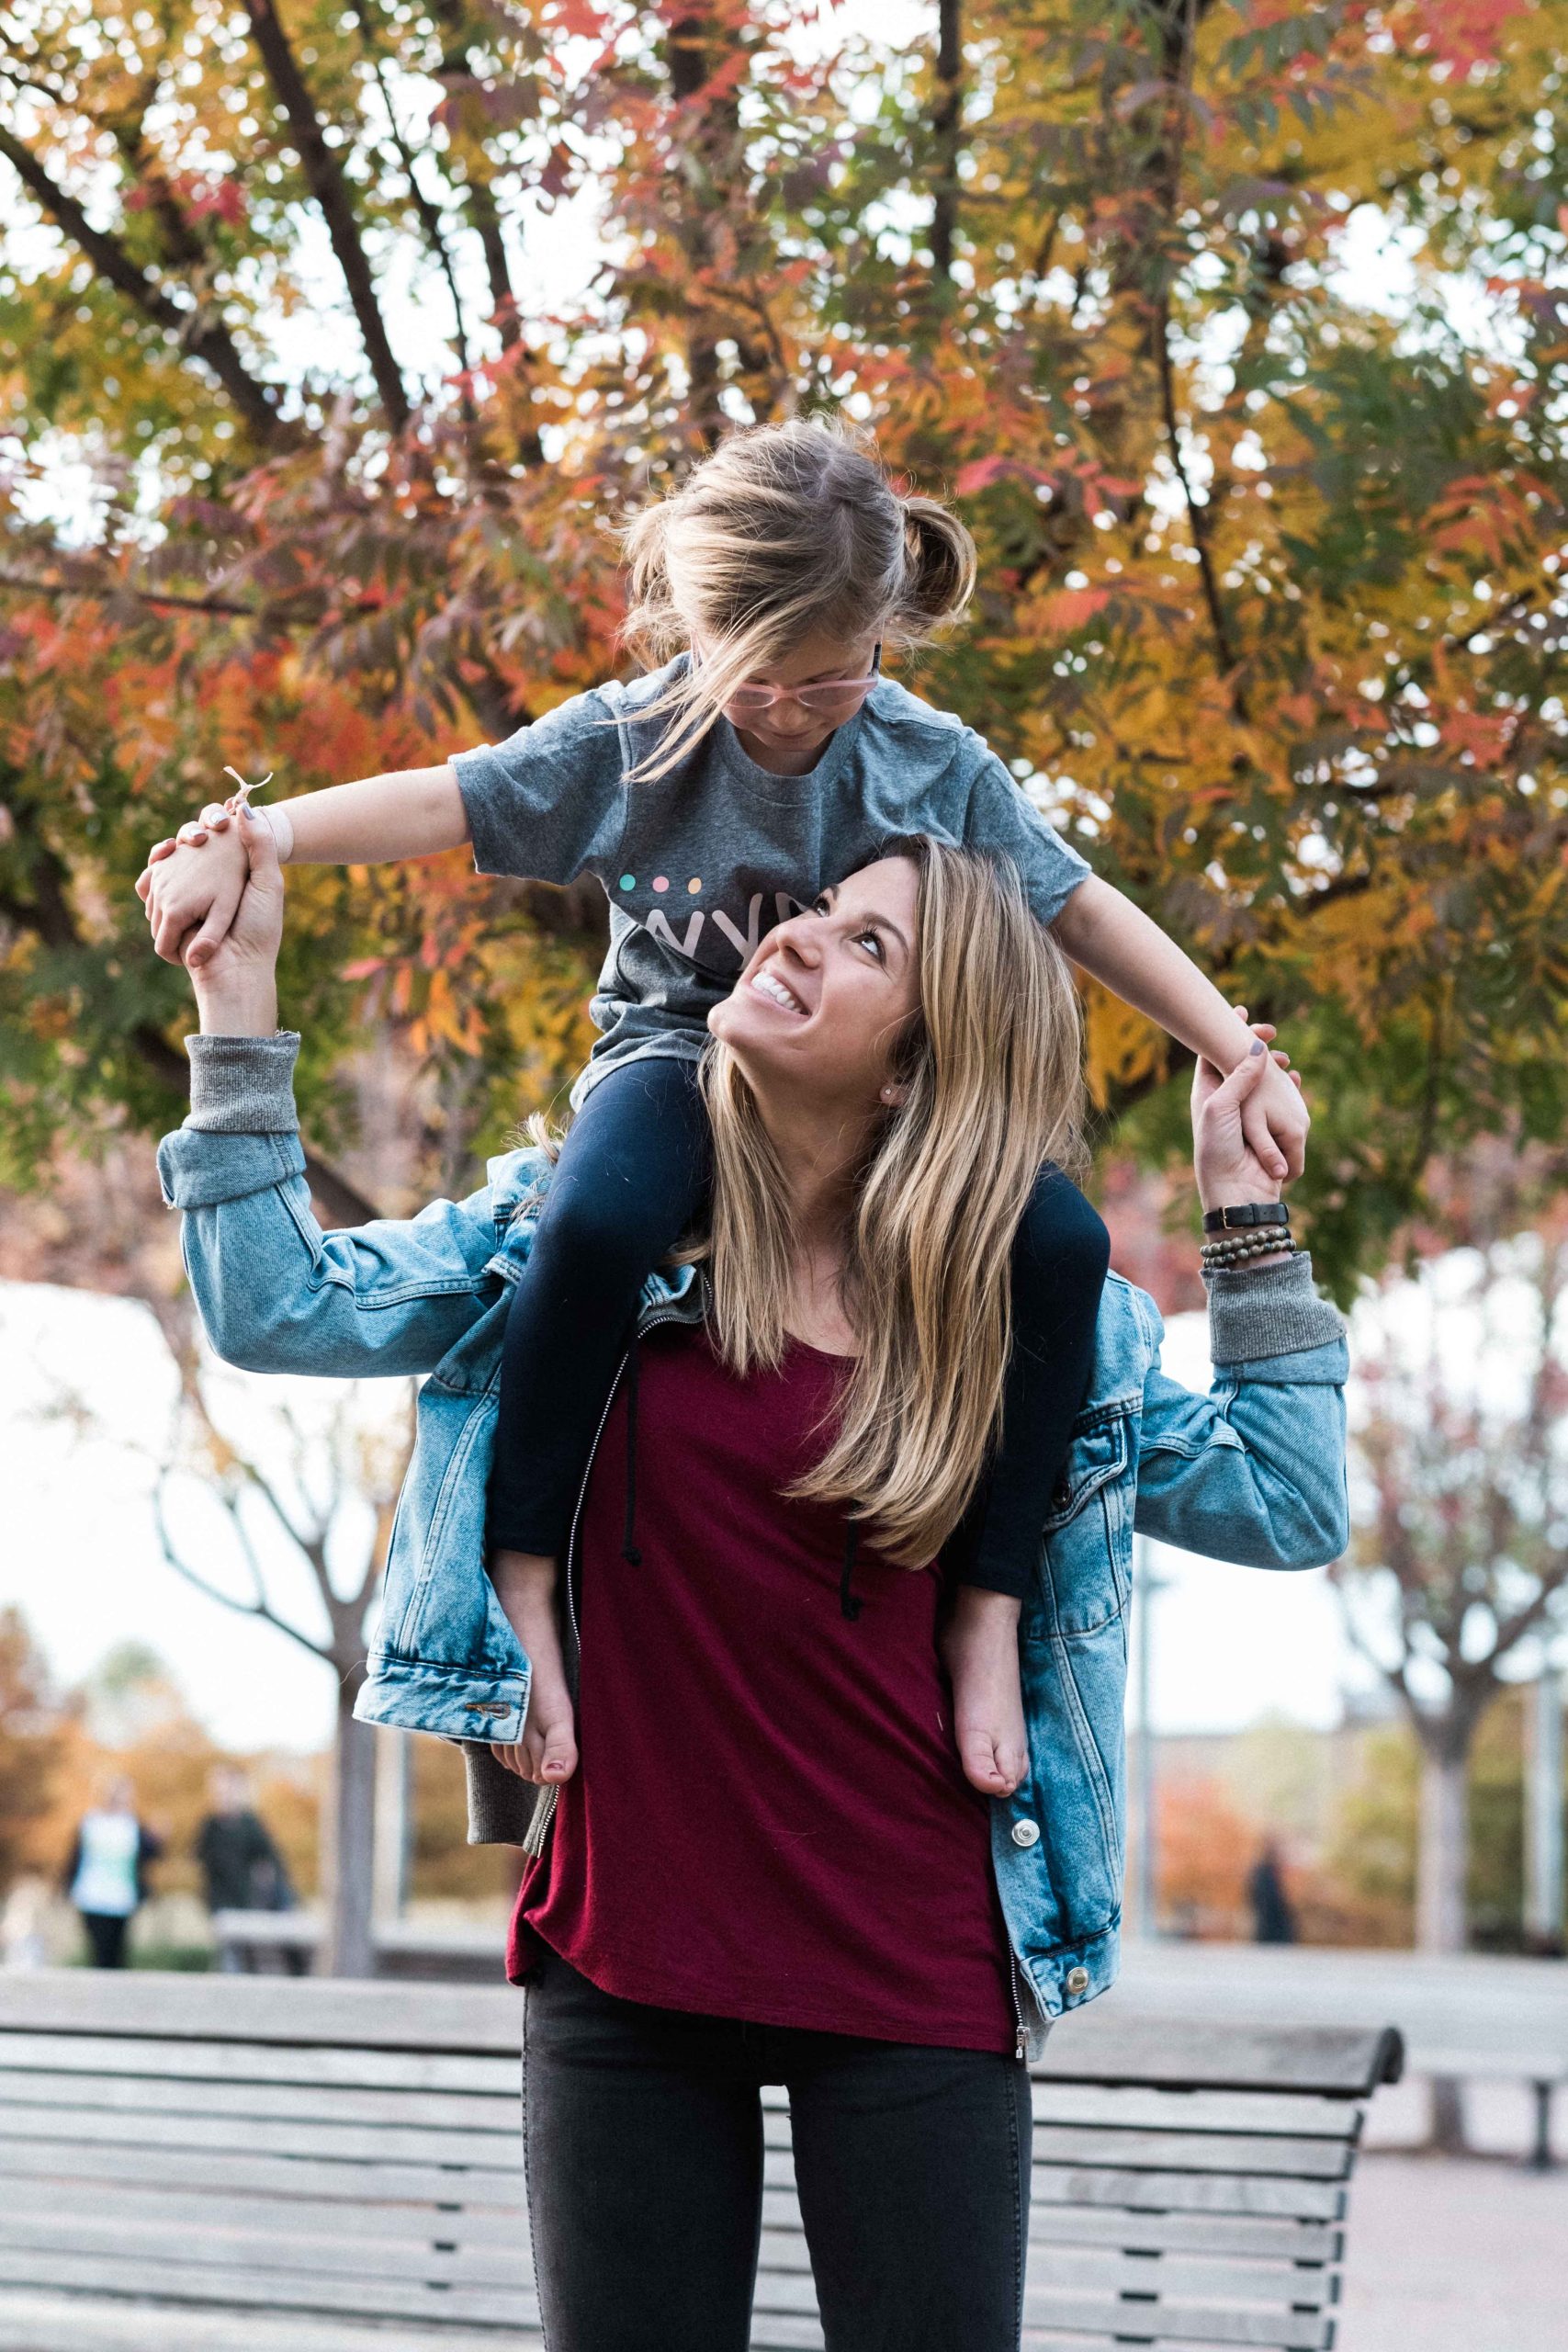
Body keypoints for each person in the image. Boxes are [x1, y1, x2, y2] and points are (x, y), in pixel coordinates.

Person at [157, 809, 1347, 2352]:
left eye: (870, 946)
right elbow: (275, 1312)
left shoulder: (1028, 1321)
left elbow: (1287, 1503)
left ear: (919, 1062)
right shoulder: (567, 1234)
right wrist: (235, 1015)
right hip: (624, 1973)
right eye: (814, 911)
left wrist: (1244, 1219)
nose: (789, 935)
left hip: (915, 1977)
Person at [137, 417, 1308, 1814]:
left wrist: (1233, 1050)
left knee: (1054, 1248)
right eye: (756, 686)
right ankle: (523, 1568)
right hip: (670, 1064)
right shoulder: (634, 737)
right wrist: (267, 836)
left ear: (882, 635)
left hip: (872, 1110)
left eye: (827, 684)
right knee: (599, 1219)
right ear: (693, 639)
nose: (790, 715)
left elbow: (1079, 908)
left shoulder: (927, 762)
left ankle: (987, 1606)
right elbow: (453, 799)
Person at [195, 1768, 302, 1972]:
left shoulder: (250, 1823)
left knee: (249, 1954)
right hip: (222, 1901)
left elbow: (271, 1858)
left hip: (248, 1900)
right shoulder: (210, 1825)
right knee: (230, 1955)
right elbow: (200, 1859)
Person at [62, 1776, 163, 1971]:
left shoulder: (131, 1824)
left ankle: (115, 1997)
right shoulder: (91, 1822)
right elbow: (75, 1858)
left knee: (119, 1955)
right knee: (100, 1953)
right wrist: (67, 1888)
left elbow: (150, 1856)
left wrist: (157, 1838)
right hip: (93, 1897)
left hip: (122, 1899)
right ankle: (99, 1996)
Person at [1247, 1838, 1298, 1945]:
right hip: (1270, 1930)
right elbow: (1265, 1902)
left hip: (1272, 1930)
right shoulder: (1263, 1873)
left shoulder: (1267, 1872)